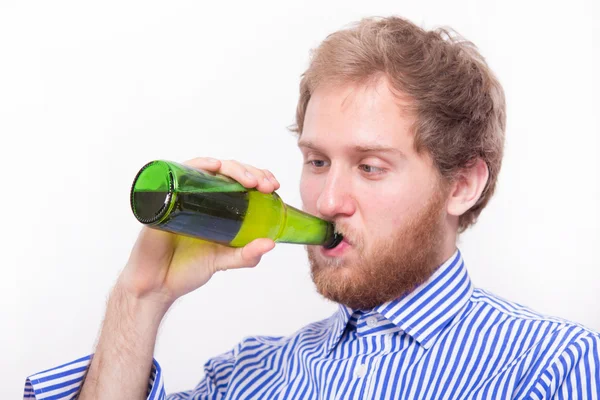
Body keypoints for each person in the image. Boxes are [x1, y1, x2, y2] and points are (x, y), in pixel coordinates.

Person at [24, 15, 600, 400]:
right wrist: (140, 296)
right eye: (317, 161)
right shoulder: (247, 377)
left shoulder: (549, 364)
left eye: (370, 166)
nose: (326, 201)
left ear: (463, 185)